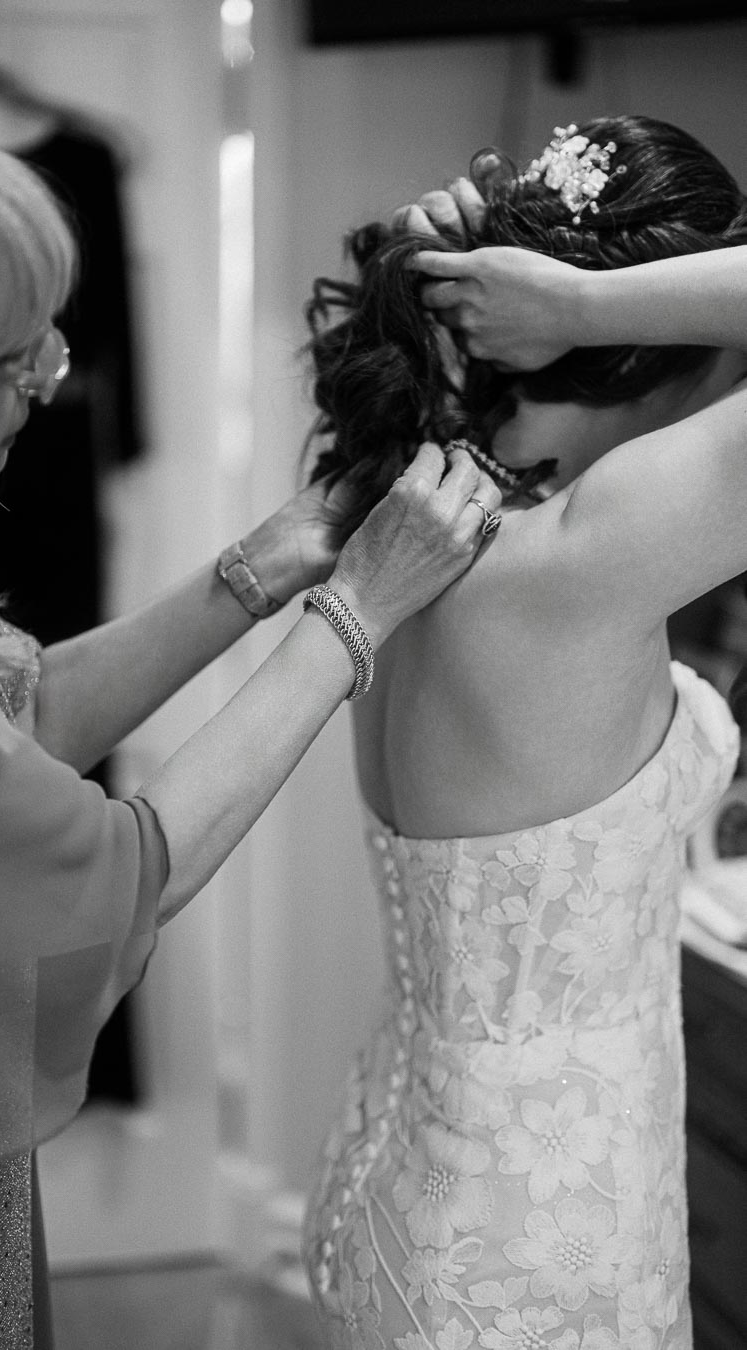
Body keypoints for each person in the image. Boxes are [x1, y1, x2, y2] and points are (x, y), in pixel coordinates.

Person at [0, 91, 503, 1350]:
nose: (49, 380)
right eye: (5, 358)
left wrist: (266, 568)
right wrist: (355, 615)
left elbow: (11, 726)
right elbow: (121, 866)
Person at [300, 114, 747, 1350]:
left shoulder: (415, 500)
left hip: (398, 1169)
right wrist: (579, 308)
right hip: (540, 1232)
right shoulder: (585, 553)